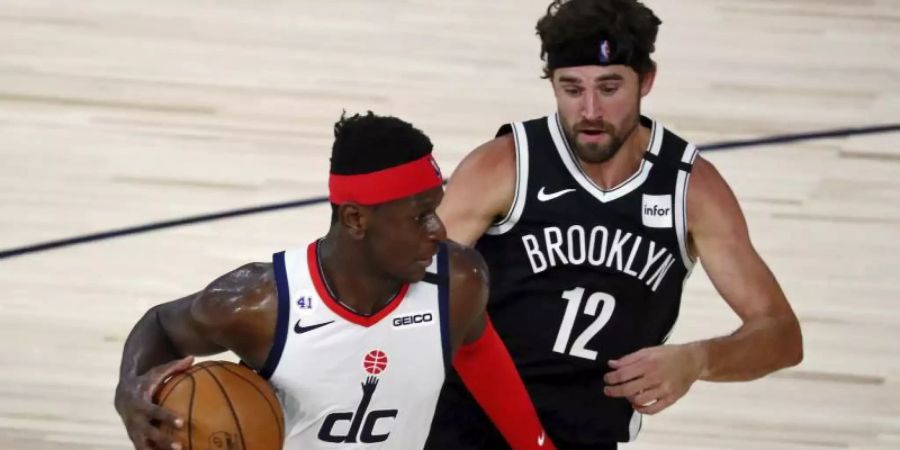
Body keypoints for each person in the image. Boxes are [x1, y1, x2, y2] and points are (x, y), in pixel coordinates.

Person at [426, 0, 804, 449]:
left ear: (646, 80)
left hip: (588, 435)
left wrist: (698, 359)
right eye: (571, 88)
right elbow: (412, 294)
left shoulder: (691, 188)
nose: (589, 110)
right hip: (463, 426)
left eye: (609, 88)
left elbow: (781, 333)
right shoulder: (505, 165)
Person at [114, 112, 554, 450]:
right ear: (356, 219)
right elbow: (162, 325)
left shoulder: (458, 281)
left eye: (435, 210)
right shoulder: (258, 304)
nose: (439, 229)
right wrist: (129, 391)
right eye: (420, 216)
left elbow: (479, 353)